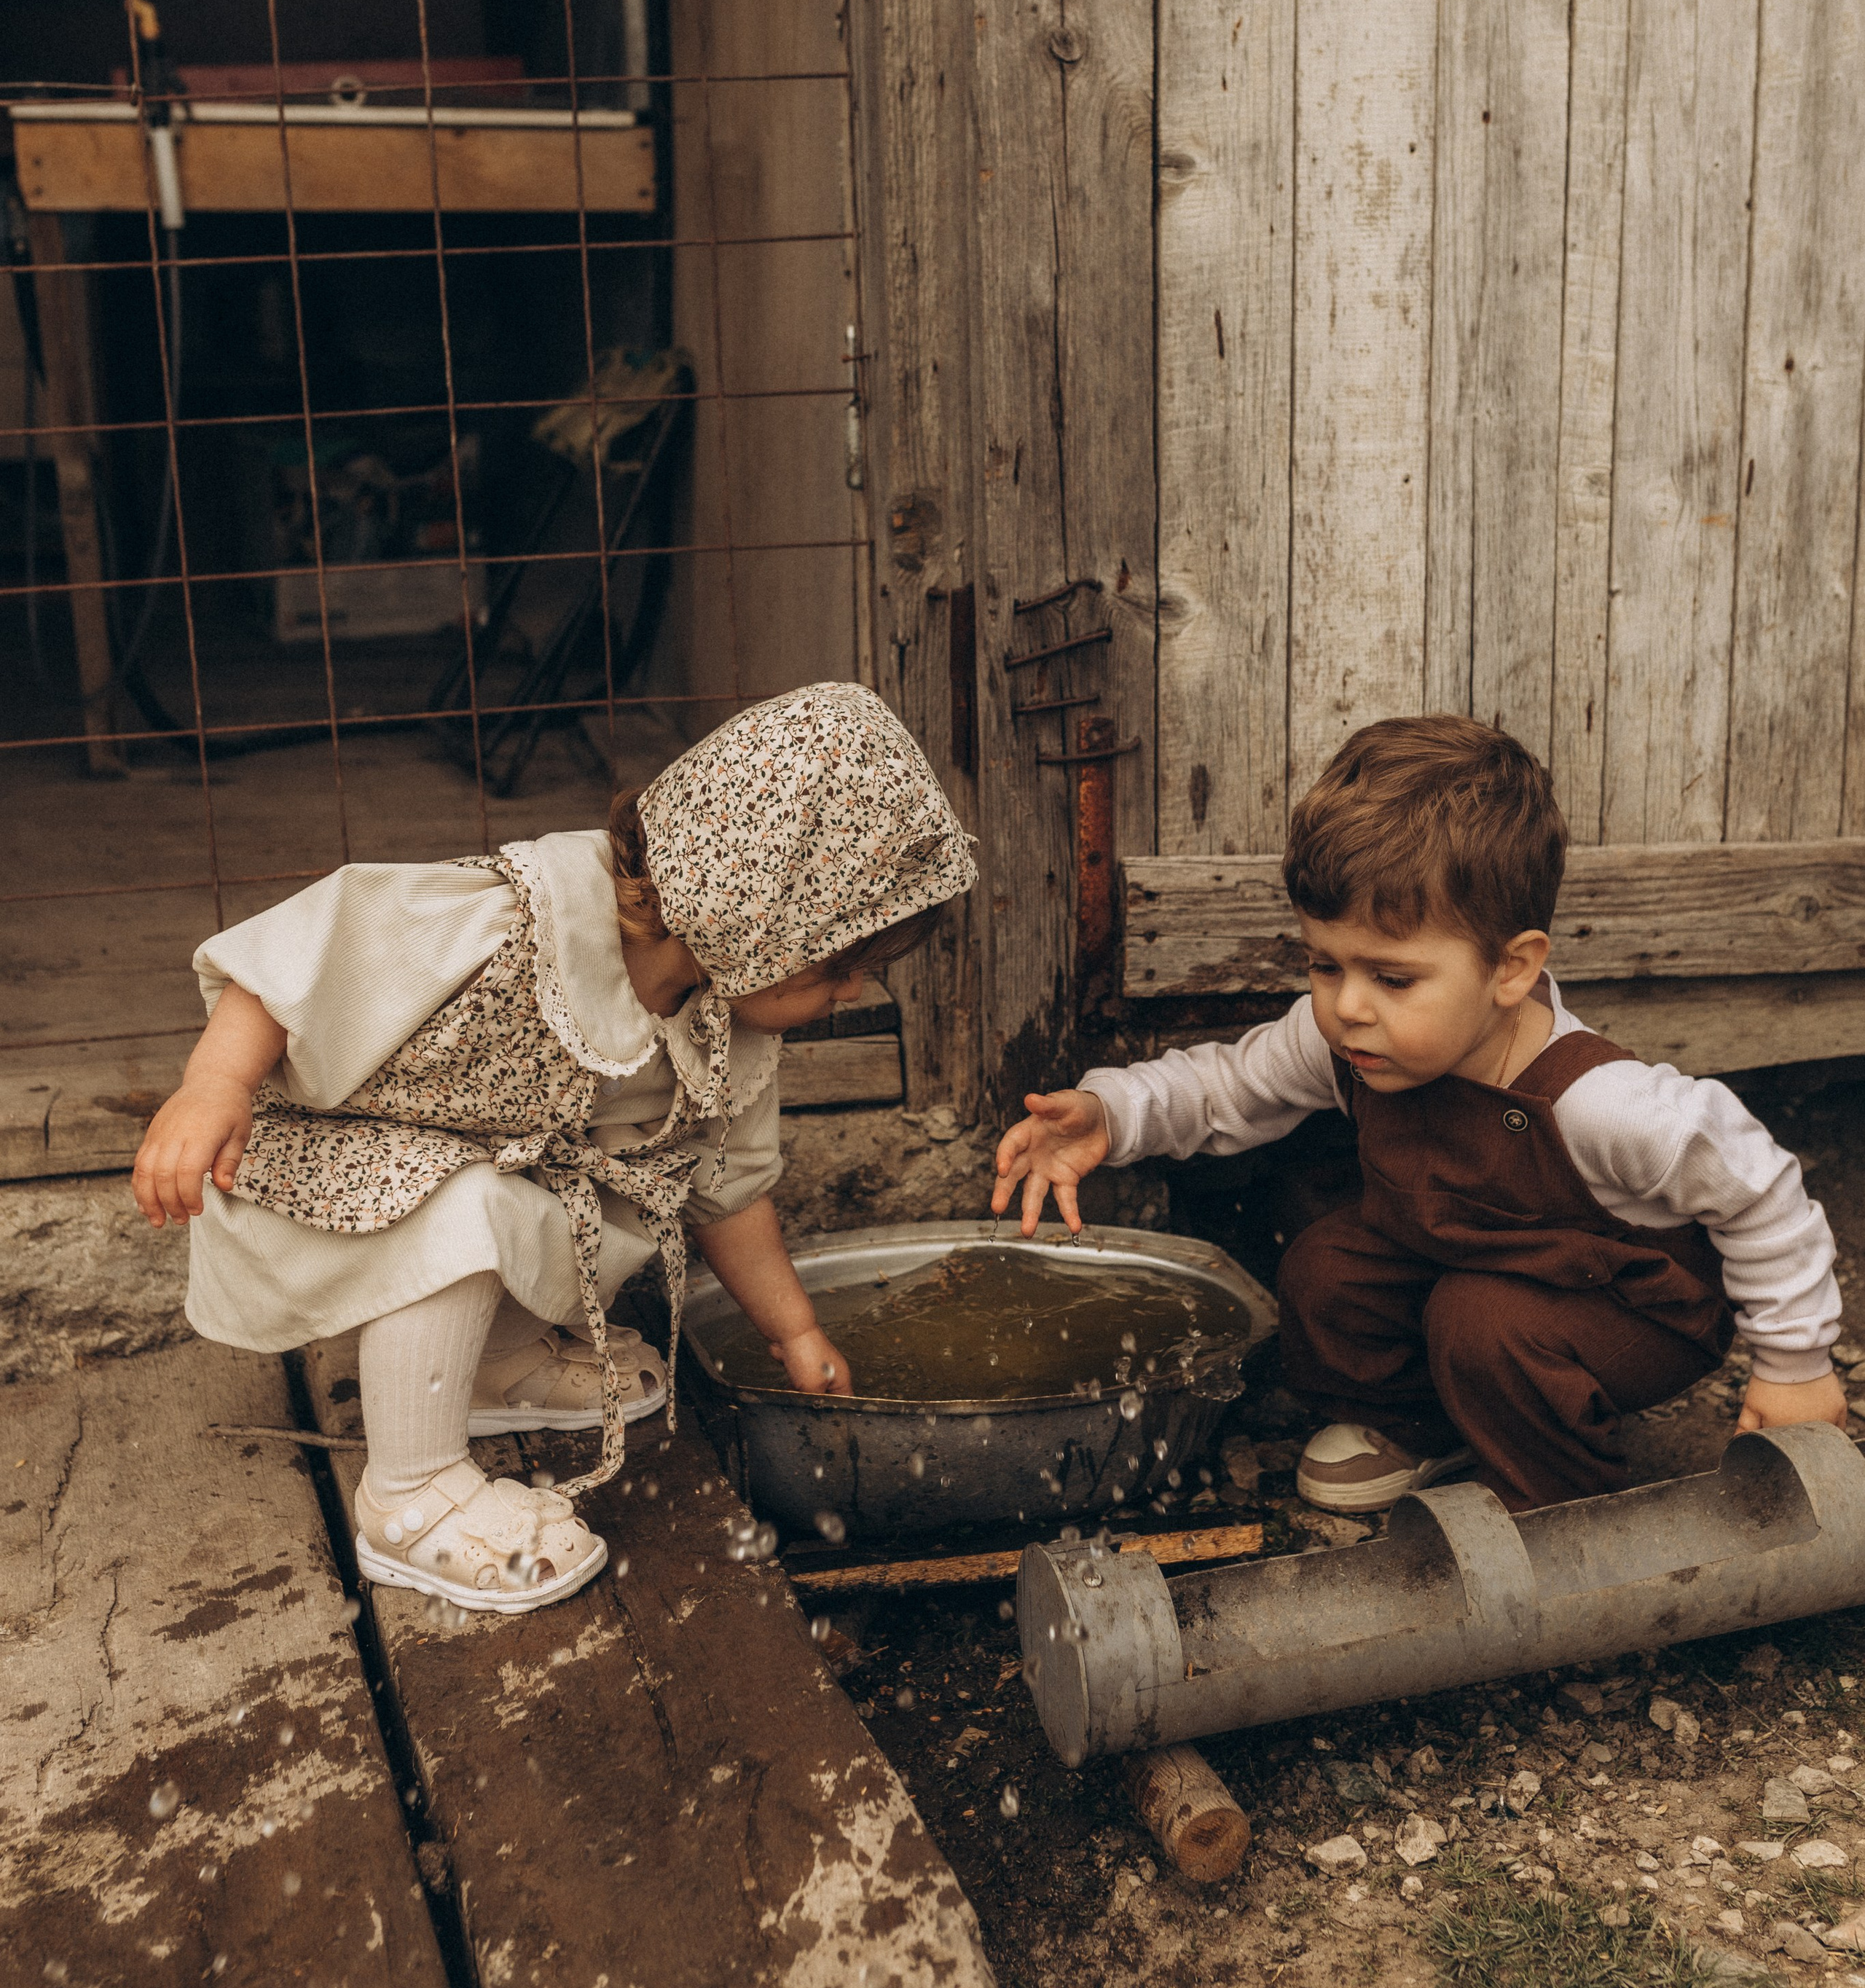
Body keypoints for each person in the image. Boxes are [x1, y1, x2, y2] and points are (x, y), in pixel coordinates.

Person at [134, 683, 974, 1611]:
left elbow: (725, 1190)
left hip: (473, 1170)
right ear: (754, 914)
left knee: (607, 1192)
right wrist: (214, 1088)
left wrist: (796, 1332)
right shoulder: (504, 924)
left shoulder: (726, 1026)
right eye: (841, 967)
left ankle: (494, 1365)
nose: (853, 994)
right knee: (472, 1208)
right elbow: (298, 965)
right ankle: (409, 1498)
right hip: (336, 1171)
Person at [992, 715, 1849, 1515]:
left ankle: (1566, 1509)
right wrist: (1113, 1112)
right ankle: (1424, 1428)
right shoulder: (1342, 1041)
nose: (1348, 1006)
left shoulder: (1605, 1103)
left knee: (1481, 1327)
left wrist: (1794, 1364)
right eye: (1324, 966)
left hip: (1629, 1304)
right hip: (1468, 1257)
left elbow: (1761, 1193)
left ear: (1510, 970)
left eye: (1392, 978)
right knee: (1327, 1267)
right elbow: (1225, 1087)